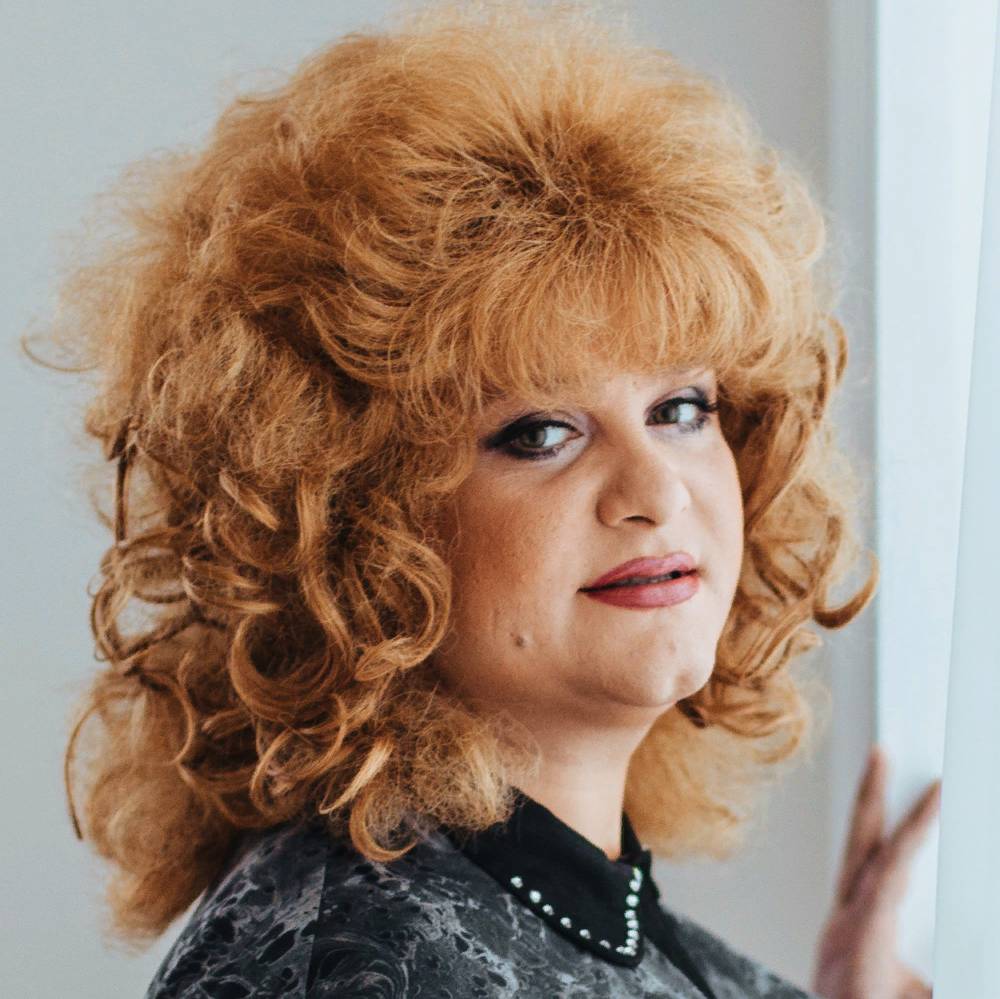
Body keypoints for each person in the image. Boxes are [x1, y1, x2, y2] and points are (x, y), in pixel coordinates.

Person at [26, 0, 941, 995]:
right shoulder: (356, 963)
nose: (654, 490)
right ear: (354, 526)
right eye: (540, 433)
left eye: (680, 407)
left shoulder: (563, 917)